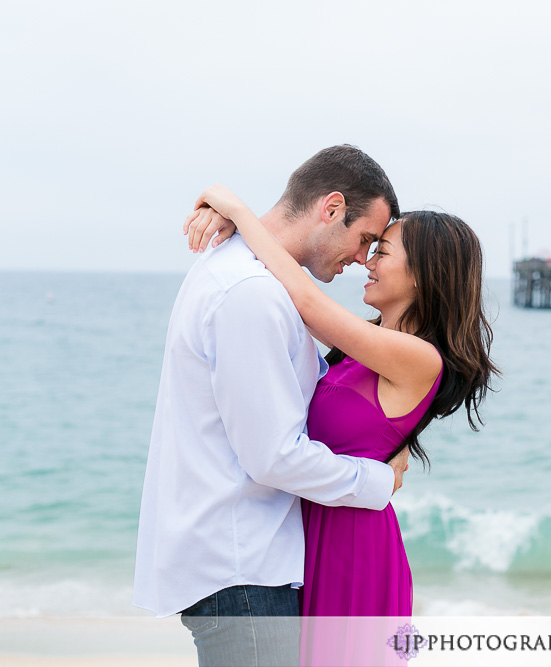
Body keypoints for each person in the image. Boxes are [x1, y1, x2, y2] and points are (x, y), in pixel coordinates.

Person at [185, 184, 498, 665]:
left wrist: (242, 216)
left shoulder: (418, 357)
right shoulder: (365, 345)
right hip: (314, 531)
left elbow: (306, 300)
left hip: (354, 548)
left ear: (423, 275)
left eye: (383, 250)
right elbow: (295, 312)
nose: (366, 261)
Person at [133, 146, 410, 667]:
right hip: (242, 569)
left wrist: (233, 209)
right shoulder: (253, 293)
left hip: (241, 564)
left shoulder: (244, 271)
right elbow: (274, 456)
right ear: (331, 208)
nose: (360, 259)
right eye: (364, 239)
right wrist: (379, 481)